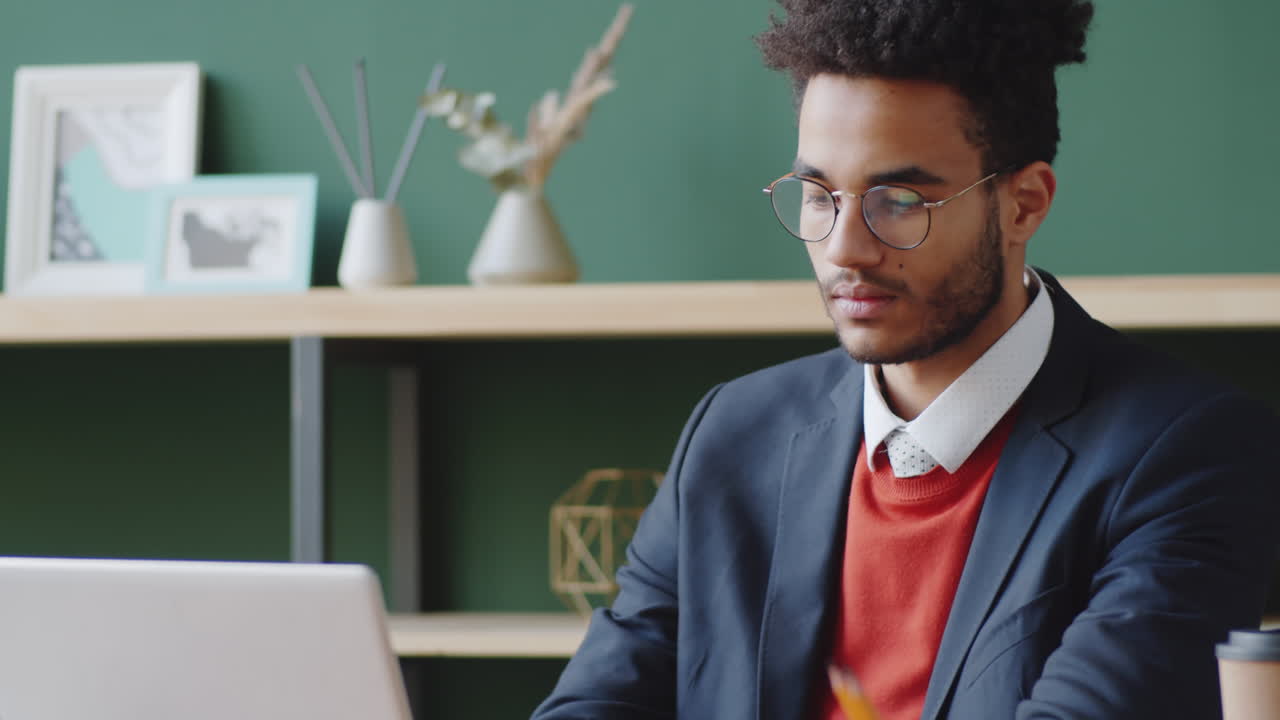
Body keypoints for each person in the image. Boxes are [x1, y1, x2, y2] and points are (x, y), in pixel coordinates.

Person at [532, 1, 1280, 718]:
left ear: (1024, 204)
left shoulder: (1191, 453)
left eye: (898, 200)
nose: (843, 248)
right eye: (818, 194)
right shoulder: (732, 434)